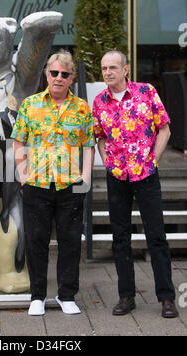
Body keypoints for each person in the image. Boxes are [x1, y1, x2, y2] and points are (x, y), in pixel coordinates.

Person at [92, 50, 178, 318]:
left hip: (146, 173)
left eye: (113, 67)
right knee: (120, 238)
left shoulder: (146, 92)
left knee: (156, 237)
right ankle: (126, 296)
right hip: (117, 176)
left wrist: (154, 159)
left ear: (125, 69)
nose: (108, 72)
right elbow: (100, 137)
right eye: (104, 68)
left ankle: (166, 298)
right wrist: (108, 163)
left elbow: (164, 128)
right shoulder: (99, 102)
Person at [11, 49, 95, 315]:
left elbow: (89, 144)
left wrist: (86, 176)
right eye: (54, 72)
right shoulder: (30, 105)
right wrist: (23, 175)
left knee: (71, 242)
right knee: (36, 240)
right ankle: (37, 296)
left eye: (65, 74)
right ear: (47, 75)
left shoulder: (81, 107)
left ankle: (66, 295)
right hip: (37, 186)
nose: (59, 77)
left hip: (70, 186)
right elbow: (18, 141)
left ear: (71, 79)